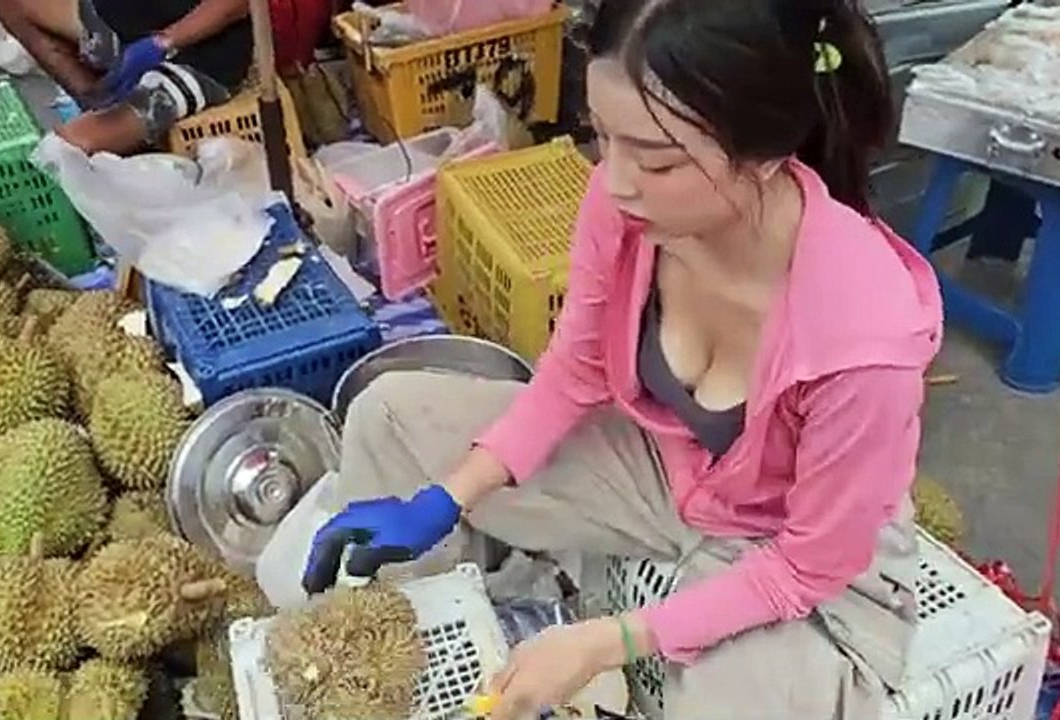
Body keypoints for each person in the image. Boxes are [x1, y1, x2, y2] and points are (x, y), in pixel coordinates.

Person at [302, 0, 943, 718]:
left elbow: (805, 567)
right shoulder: (626, 210)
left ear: (764, 153)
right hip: (668, 470)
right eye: (603, 137)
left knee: (735, 703)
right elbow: (574, 373)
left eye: (658, 159)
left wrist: (603, 644)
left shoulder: (864, 334)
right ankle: (412, 663)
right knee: (388, 414)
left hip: (800, 556)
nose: (617, 180)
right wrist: (443, 499)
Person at [0, 0, 255, 154]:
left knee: (69, 150)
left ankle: (123, 129)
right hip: (125, 22)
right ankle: (95, 97)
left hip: (199, 55)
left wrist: (163, 43)